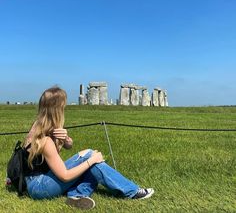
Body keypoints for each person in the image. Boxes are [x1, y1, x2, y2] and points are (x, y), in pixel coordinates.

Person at [23, 86, 154, 210]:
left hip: (37, 182)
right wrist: (91, 160)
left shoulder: (38, 126)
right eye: (63, 106)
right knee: (91, 158)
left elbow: (68, 146)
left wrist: (66, 139)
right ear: (57, 109)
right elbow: (64, 176)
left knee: (90, 160)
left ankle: (77, 196)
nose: (65, 109)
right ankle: (132, 192)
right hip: (39, 187)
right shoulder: (44, 141)